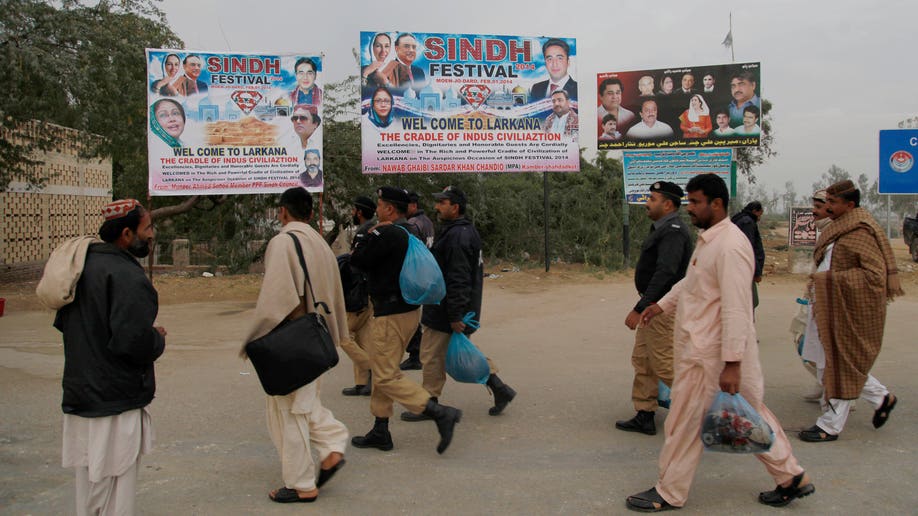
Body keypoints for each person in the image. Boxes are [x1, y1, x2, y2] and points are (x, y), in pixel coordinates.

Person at [626, 173, 814, 512]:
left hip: (712, 358)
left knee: (683, 424)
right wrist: (660, 305)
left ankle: (669, 491)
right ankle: (791, 477)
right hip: (707, 354)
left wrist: (731, 363)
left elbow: (737, 308)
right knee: (751, 418)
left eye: (696, 202)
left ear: (717, 204)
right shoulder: (710, 240)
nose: (691, 208)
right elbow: (691, 284)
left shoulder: (730, 246)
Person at [45, 199, 165, 516]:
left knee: (90, 488)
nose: (152, 235)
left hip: (82, 394)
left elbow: (68, 325)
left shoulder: (81, 268)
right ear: (126, 234)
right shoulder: (128, 276)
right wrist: (157, 338)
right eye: (147, 228)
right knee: (118, 490)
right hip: (115, 402)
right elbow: (132, 342)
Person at [243, 188, 349, 503]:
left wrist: (262, 339)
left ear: (283, 212)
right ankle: (333, 447)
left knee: (288, 412)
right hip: (317, 338)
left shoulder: (283, 242)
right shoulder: (319, 242)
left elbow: (279, 298)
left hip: (293, 340)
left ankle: (302, 484)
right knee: (304, 404)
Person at [349, 186, 463, 454]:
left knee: (385, 375)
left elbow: (359, 261)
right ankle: (380, 429)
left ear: (389, 209)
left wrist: (363, 238)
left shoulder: (386, 232)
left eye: (379, 205)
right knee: (383, 370)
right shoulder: (409, 231)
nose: (376, 210)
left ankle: (438, 412)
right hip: (408, 311)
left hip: (391, 314)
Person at [401, 185, 517, 422]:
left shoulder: (458, 236)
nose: (437, 207)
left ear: (455, 207)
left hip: (447, 309)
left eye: (442, 203)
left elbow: (459, 279)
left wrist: (454, 316)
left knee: (432, 355)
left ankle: (428, 403)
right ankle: (499, 388)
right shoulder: (458, 231)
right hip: (449, 307)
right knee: (456, 355)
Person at [799, 179, 903, 443]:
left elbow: (874, 277)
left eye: (833, 202)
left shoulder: (861, 231)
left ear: (850, 204)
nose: (827, 206)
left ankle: (830, 425)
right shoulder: (840, 228)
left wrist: (829, 281)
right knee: (829, 362)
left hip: (845, 308)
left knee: (837, 363)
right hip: (826, 305)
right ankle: (881, 398)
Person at [616, 182, 692, 436]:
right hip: (653, 305)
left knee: (664, 363)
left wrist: (640, 307)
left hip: (661, 308)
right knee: (644, 360)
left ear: (668, 204)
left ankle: (703, 412)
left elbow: (665, 273)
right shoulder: (663, 228)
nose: (647, 202)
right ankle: (645, 414)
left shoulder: (673, 231)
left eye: (652, 198)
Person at [795, 189, 832, 403]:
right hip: (814, 297)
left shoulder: (838, 233)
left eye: (818, 207)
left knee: (829, 349)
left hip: (829, 301)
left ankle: (846, 393)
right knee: (803, 341)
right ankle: (824, 383)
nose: (814, 212)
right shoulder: (825, 232)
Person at [340, 196, 377, 397]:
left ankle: (372, 369)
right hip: (366, 291)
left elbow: (359, 265)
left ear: (359, 212)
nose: (352, 213)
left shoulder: (365, 232)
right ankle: (362, 383)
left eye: (353, 210)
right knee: (363, 338)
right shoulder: (370, 229)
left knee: (343, 336)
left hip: (360, 292)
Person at [400, 191, 436, 371]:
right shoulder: (427, 221)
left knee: (411, 316)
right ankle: (417, 352)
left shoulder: (412, 224)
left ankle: (416, 354)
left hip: (415, 273)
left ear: (413, 205)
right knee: (416, 315)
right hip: (426, 273)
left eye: (405, 205)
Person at [731, 201, 765, 308]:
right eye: (760, 214)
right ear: (755, 211)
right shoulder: (747, 223)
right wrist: (757, 272)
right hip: (745, 270)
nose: (760, 217)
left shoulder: (740, 219)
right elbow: (748, 249)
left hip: (740, 268)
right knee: (750, 302)